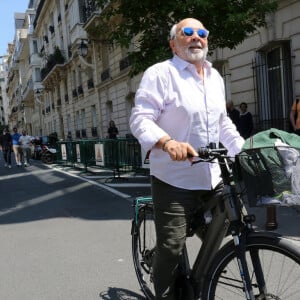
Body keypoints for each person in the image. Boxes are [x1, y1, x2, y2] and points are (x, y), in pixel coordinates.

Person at [129, 18, 244, 300]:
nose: (196, 38)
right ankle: (164, 290)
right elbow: (140, 118)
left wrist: (244, 149)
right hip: (174, 177)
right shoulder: (161, 74)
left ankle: (200, 276)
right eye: (187, 33)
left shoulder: (215, 77)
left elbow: (222, 124)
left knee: (224, 226)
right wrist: (167, 142)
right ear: (173, 42)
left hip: (212, 175)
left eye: (202, 33)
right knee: (171, 245)